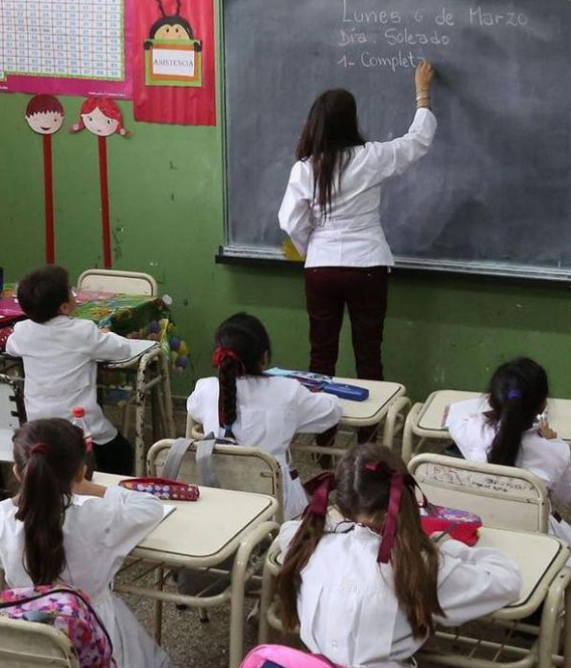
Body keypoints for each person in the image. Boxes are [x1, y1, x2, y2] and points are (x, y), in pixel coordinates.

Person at [275, 443, 521, 666]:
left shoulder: (310, 545)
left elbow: (287, 531)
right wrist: (446, 547)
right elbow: (507, 581)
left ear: (341, 502)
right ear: (404, 497)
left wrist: (335, 523)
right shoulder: (420, 565)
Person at [0, 418, 171, 667]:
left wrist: (19, 499)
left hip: (28, 642)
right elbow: (150, 507)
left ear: (17, 471)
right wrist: (92, 488)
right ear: (80, 471)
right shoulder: (98, 516)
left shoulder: (2, 522)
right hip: (94, 635)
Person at [278, 62, 437, 393]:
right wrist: (423, 94)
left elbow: (291, 221)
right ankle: (369, 437)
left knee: (321, 358)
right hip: (367, 265)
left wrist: (313, 248)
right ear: (352, 121)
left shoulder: (305, 168)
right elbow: (417, 141)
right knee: (369, 357)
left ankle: (322, 438)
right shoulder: (371, 157)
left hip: (321, 269)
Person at [445, 357, 571, 595]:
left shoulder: (471, 432)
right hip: (532, 536)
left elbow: (453, 418)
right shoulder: (554, 451)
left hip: (476, 531)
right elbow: (564, 498)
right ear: (543, 405)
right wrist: (552, 440)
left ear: (490, 400)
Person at [186, 312, 342, 519]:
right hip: (278, 510)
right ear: (264, 357)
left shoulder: (206, 389)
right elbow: (332, 411)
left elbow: (193, 408)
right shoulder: (288, 391)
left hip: (220, 504)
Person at [6, 265, 137, 475]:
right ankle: (110, 495)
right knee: (121, 452)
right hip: (81, 425)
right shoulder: (82, 331)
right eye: (71, 291)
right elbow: (122, 350)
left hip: (37, 426)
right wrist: (105, 333)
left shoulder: (22, 331)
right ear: (65, 307)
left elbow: (9, 346)